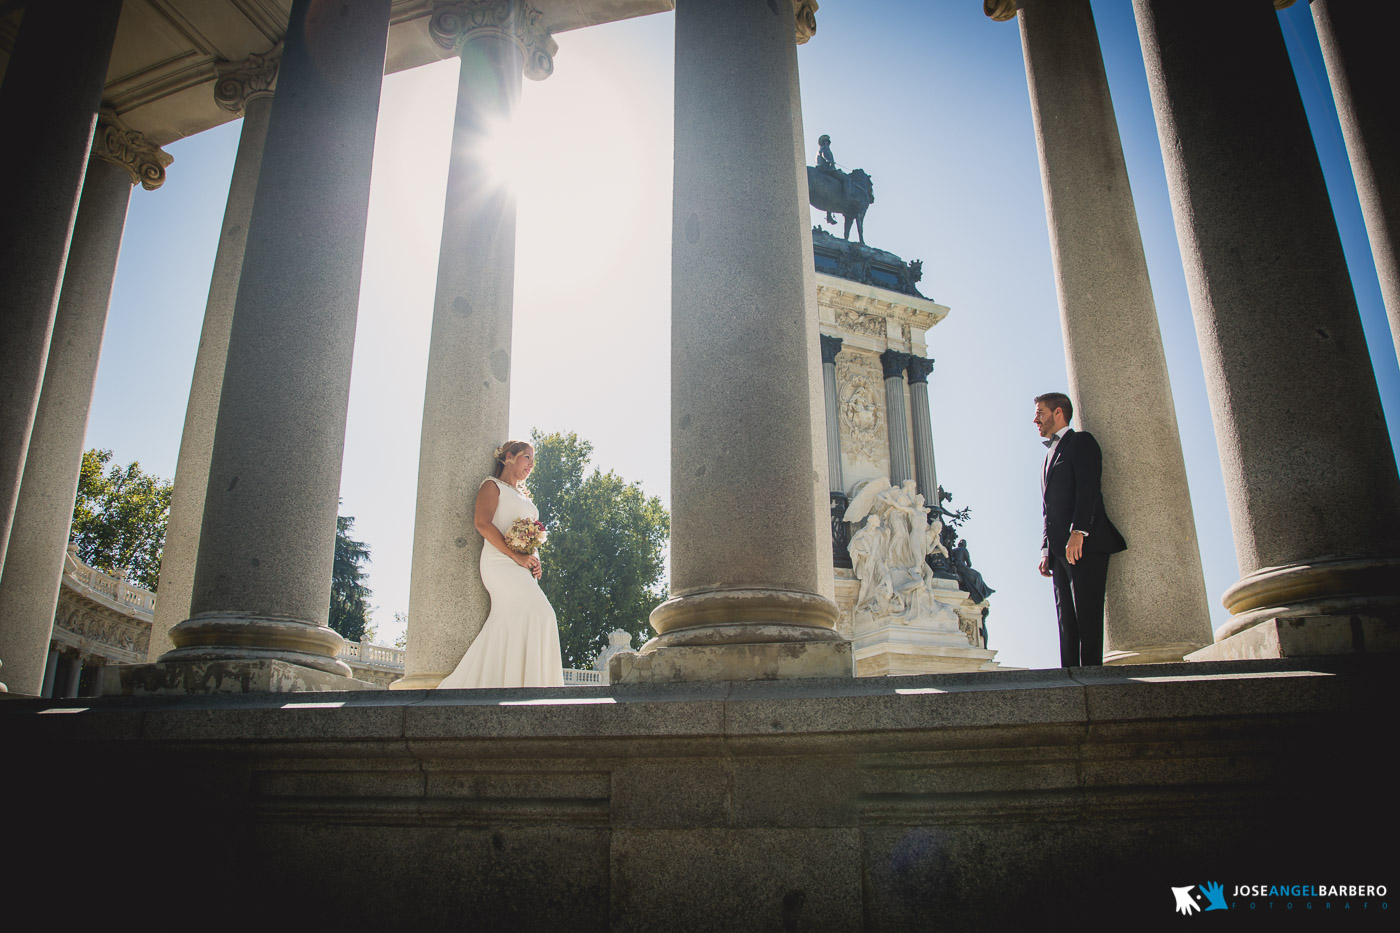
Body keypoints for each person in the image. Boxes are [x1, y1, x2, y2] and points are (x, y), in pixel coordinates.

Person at [438, 440, 564, 688]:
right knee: (541, 613)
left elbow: (530, 536)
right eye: (526, 457)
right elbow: (483, 524)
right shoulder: (491, 486)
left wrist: (535, 557)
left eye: (533, 460)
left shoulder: (524, 495)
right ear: (508, 456)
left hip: (521, 566)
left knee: (521, 618)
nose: (531, 464)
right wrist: (515, 556)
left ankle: (514, 685)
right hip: (498, 563)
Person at [1033, 392, 1126, 667]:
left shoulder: (1081, 442)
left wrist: (1078, 532)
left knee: (1088, 616)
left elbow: (1088, 489)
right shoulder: (1048, 454)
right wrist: (1045, 548)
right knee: (1066, 622)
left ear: (1058, 412)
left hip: (1084, 546)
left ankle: (1093, 678)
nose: (1035, 419)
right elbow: (1048, 508)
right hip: (1058, 551)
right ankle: (1070, 680)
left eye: (1040, 413)